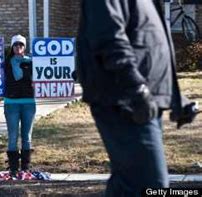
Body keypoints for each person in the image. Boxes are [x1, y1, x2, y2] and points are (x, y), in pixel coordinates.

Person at [77, 0, 198, 195]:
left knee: (128, 186)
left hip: (142, 100)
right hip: (124, 100)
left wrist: (174, 96)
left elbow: (151, 45)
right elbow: (109, 38)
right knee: (152, 186)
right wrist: (136, 88)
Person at [3, 35, 36, 176]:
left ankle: (25, 168)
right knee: (12, 135)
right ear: (12, 47)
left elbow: (46, 76)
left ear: (25, 47)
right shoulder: (5, 63)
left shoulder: (33, 62)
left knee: (26, 136)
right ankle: (13, 168)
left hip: (29, 102)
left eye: (21, 45)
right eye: (15, 45)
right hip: (11, 103)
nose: (18, 47)